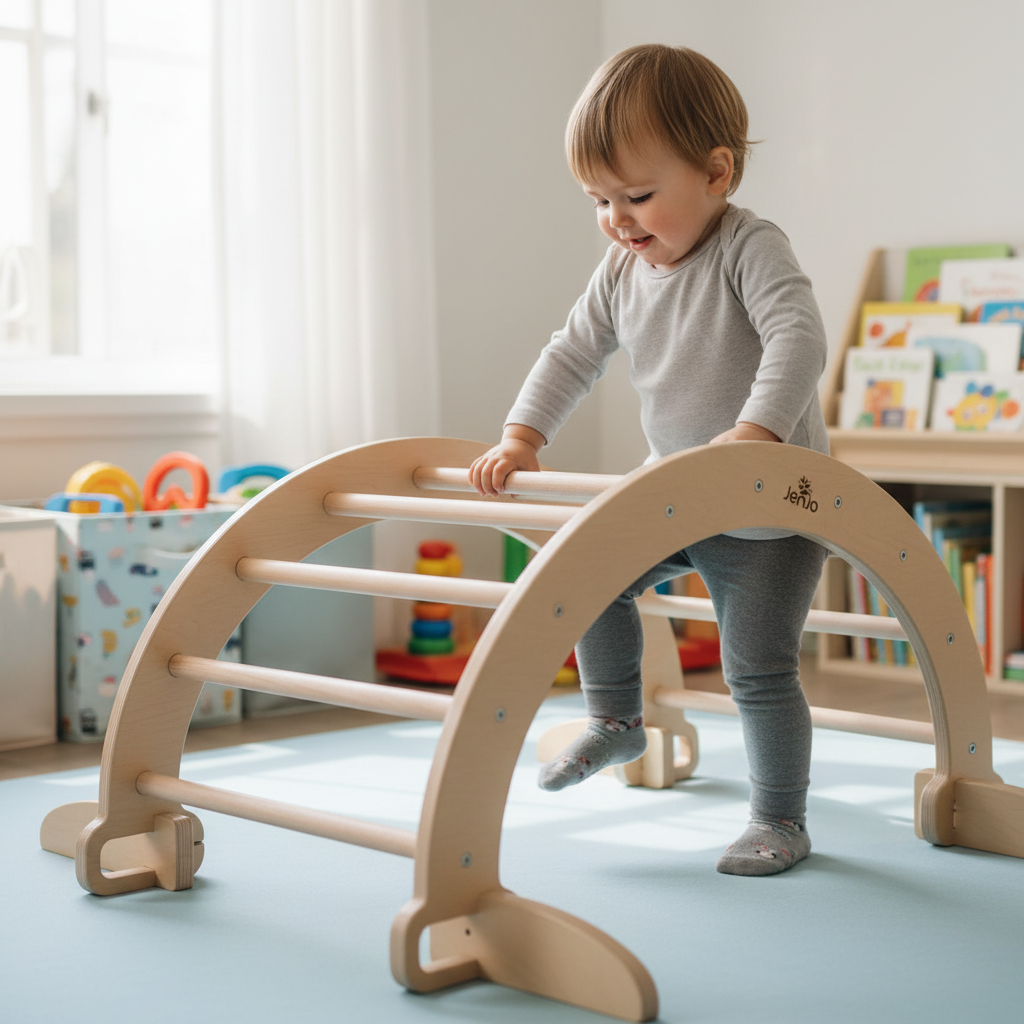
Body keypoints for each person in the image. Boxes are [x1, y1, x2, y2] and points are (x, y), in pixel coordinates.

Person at [468, 44, 829, 877]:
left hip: (771, 504)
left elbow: (797, 338)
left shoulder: (750, 247)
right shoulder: (620, 269)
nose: (618, 220)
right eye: (598, 200)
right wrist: (523, 436)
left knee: (759, 670)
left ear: (716, 173)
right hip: (675, 485)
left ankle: (780, 818)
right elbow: (573, 353)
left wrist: (756, 436)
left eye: (637, 195)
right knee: (584, 568)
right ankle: (618, 722)